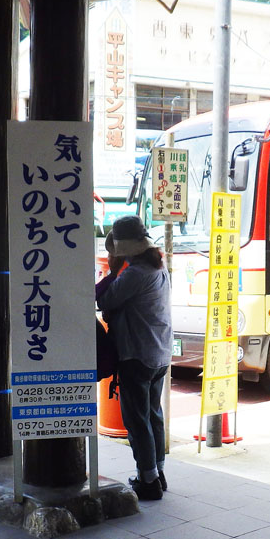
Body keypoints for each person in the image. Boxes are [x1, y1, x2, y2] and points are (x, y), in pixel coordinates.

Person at [95, 215, 172, 501]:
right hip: (159, 353)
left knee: (137, 420)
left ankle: (147, 480)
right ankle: (158, 472)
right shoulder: (158, 268)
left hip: (136, 355)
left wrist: (114, 270)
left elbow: (104, 299)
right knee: (153, 416)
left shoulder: (135, 274)